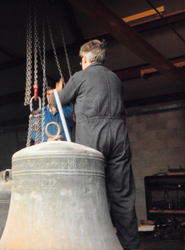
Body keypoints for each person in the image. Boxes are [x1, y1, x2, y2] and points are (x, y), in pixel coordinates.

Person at [51, 39, 140, 250]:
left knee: (87, 193)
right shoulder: (115, 78)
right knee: (123, 196)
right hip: (119, 140)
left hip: (93, 139)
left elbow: (57, 102)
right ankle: (131, 247)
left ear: (84, 59)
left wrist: (58, 90)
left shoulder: (80, 77)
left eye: (80, 61)